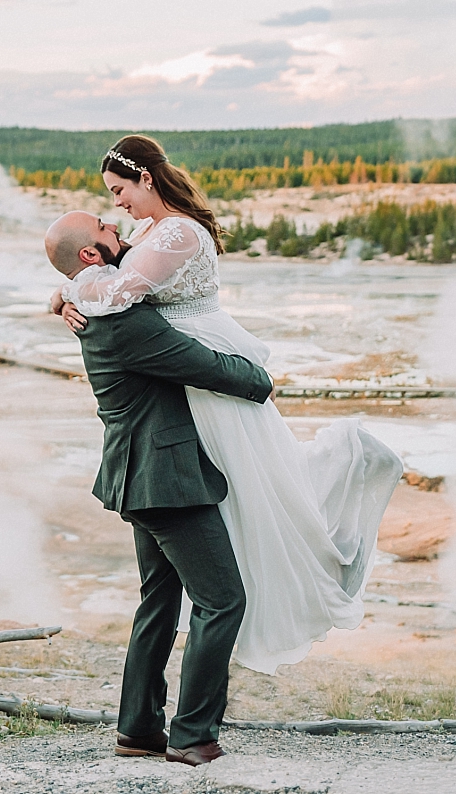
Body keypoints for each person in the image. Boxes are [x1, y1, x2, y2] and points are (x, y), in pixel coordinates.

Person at [47, 134, 403, 677]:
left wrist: (70, 291)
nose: (115, 206)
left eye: (118, 191)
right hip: (181, 376)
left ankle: (302, 568)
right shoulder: (146, 231)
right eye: (108, 202)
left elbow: (117, 290)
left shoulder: (180, 232)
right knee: (214, 528)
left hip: (201, 361)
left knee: (256, 487)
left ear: (146, 179)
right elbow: (103, 276)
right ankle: (177, 722)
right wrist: (65, 290)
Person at [44, 209, 274, 765]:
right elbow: (210, 368)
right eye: (107, 231)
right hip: (167, 481)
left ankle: (138, 730)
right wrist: (260, 376)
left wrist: (56, 296)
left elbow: (97, 281)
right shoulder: (126, 322)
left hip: (135, 476)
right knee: (222, 602)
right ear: (92, 257)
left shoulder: (96, 302)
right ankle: (194, 735)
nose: (120, 233)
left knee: (159, 601)